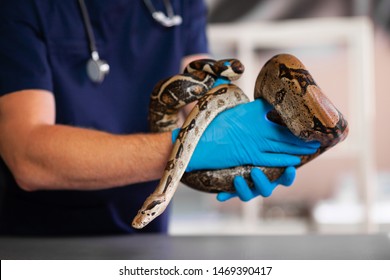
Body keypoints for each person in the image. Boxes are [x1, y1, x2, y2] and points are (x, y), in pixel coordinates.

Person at [0, 0, 318, 236]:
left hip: (146, 242)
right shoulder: (20, 7)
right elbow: (26, 156)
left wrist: (235, 147)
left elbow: (200, 88)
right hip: (39, 241)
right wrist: (191, 148)